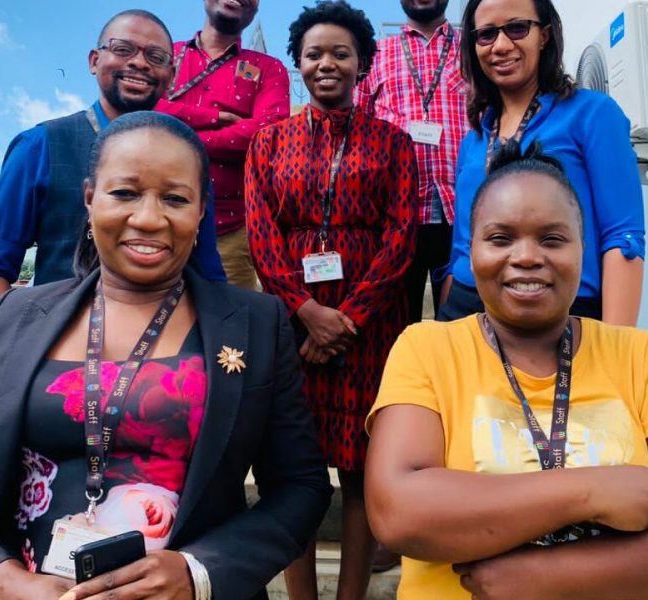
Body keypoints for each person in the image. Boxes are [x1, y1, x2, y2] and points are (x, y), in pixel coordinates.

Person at [0, 111, 332, 600]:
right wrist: (0, 581)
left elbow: (301, 486)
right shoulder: (17, 316)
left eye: (176, 198)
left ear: (202, 213)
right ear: (90, 198)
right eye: (125, 193)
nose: (149, 217)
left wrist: (199, 574)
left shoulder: (257, 324)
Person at [365, 140, 648, 599]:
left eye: (552, 238)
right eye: (501, 238)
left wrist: (542, 579)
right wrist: (591, 491)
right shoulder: (426, 348)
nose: (526, 256)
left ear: (582, 250)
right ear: (472, 251)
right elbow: (398, 512)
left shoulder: (639, 354)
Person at [245, 2, 417, 598]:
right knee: (296, 469)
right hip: (295, 324)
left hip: (372, 324)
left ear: (363, 64)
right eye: (314, 54)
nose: (327, 64)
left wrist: (349, 320)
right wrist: (307, 315)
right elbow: (263, 237)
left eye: (341, 53)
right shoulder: (267, 143)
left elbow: (401, 238)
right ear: (298, 63)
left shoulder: (394, 144)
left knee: (363, 466)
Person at [0, 10, 225, 324]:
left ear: (170, 75)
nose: (139, 63)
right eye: (123, 49)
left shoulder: (189, 160)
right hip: (59, 352)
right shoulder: (41, 145)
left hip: (169, 356)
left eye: (155, 56)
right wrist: (13, 356)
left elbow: (208, 273)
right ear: (93, 61)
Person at [438, 0, 645, 326]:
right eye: (487, 34)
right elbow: (463, 245)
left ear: (545, 35)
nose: (501, 46)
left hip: (561, 308)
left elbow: (623, 237)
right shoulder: (474, 139)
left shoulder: (593, 114)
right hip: (466, 311)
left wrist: (618, 349)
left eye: (517, 28)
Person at [155, 0, 290, 289]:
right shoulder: (167, 55)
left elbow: (268, 131)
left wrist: (179, 139)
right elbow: (146, 107)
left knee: (228, 328)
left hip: (231, 232)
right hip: (155, 222)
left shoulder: (268, 67)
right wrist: (214, 117)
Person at [356, 0, 468, 323]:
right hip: (396, 215)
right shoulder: (375, 55)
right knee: (396, 329)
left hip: (462, 213)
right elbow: (358, 126)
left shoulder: (473, 50)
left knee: (462, 327)